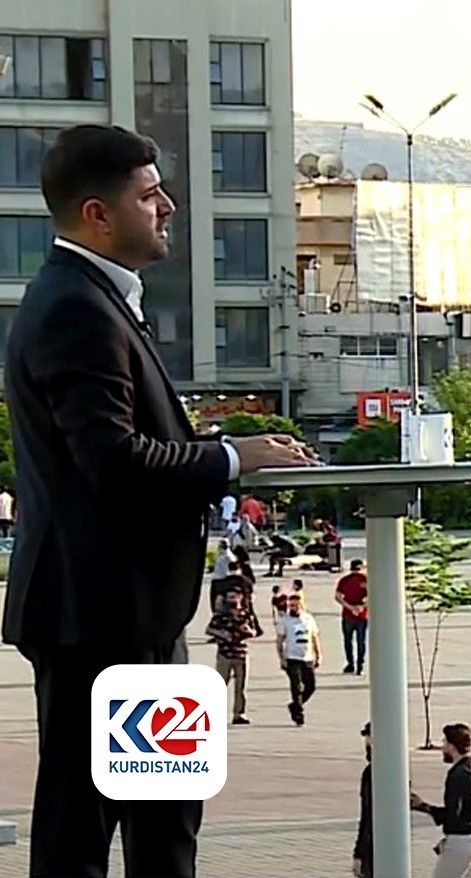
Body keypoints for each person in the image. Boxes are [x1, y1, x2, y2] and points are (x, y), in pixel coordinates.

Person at [0, 124, 315, 877]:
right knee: (84, 831)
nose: (168, 206)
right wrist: (232, 457)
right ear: (96, 214)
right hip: (100, 622)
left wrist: (225, 444)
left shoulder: (99, 297)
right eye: (149, 196)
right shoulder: (75, 308)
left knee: (166, 822)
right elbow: (110, 459)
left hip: (138, 615)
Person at [413, 723, 471, 878]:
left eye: (444, 743)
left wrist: (422, 806)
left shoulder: (457, 774)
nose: (443, 748)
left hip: (463, 841)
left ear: (452, 746)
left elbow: (453, 813)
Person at [355, 722, 428, 878]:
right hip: (397, 843)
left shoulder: (372, 772)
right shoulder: (398, 767)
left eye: (367, 737)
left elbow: (368, 815)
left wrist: (359, 853)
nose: (365, 742)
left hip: (375, 844)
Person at [205, 589, 260, 726]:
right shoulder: (221, 616)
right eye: (230, 597)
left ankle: (239, 714)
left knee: (240, 686)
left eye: (235, 597)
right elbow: (209, 629)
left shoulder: (246, 615)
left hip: (241, 654)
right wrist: (221, 634)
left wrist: (249, 631)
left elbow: (255, 632)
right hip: (225, 654)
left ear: (241, 598)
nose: (232, 600)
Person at [277, 589, 322, 725]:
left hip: (307, 656)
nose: (294, 608)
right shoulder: (284, 620)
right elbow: (279, 640)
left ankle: (295, 706)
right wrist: (282, 658)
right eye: (291, 605)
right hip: (292, 657)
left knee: (311, 686)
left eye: (296, 605)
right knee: (296, 686)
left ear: (301, 605)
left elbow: (314, 637)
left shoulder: (308, 618)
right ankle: (299, 714)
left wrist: (318, 654)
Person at [335, 559, 370, 675]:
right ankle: (360, 664)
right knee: (361, 640)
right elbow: (373, 595)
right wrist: (362, 607)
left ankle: (350, 663)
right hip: (362, 614)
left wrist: (349, 607)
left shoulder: (344, 580)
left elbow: (338, 596)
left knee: (348, 640)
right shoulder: (366, 580)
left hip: (348, 614)